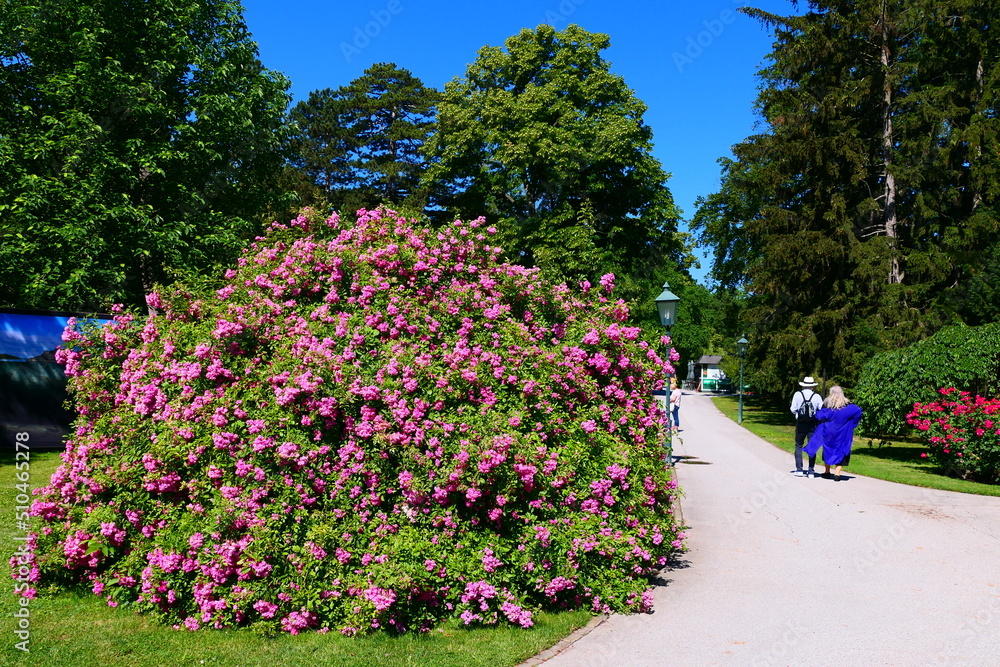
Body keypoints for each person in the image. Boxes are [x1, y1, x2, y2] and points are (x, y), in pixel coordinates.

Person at [805, 385, 863, 481]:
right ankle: (837, 473)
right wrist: (852, 423)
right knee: (841, 451)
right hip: (843, 433)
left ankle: (827, 471)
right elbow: (858, 411)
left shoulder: (828, 406)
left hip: (829, 432)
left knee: (828, 449)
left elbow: (819, 416)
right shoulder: (849, 407)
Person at [790, 376, 823, 477]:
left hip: (801, 423)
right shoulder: (817, 396)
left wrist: (797, 415)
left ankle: (799, 469)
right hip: (812, 424)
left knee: (798, 445)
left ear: (803, 385)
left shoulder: (797, 394)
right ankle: (811, 471)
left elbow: (793, 408)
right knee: (812, 446)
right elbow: (821, 409)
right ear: (813, 386)